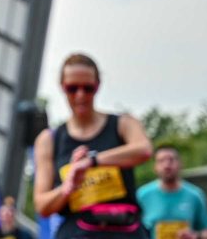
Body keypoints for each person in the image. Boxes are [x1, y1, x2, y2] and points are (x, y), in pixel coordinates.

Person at [33, 53, 152, 239]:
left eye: (88, 88)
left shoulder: (123, 124)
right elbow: (42, 205)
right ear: (62, 87)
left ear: (97, 86)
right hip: (77, 232)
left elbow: (144, 150)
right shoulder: (49, 139)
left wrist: (92, 162)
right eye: (72, 88)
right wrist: (68, 186)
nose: (80, 95)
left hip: (124, 230)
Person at [137, 146, 207, 239]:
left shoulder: (195, 195)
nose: (167, 165)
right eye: (161, 161)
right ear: (155, 167)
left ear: (180, 164)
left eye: (171, 160)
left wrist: (196, 235)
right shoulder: (142, 195)